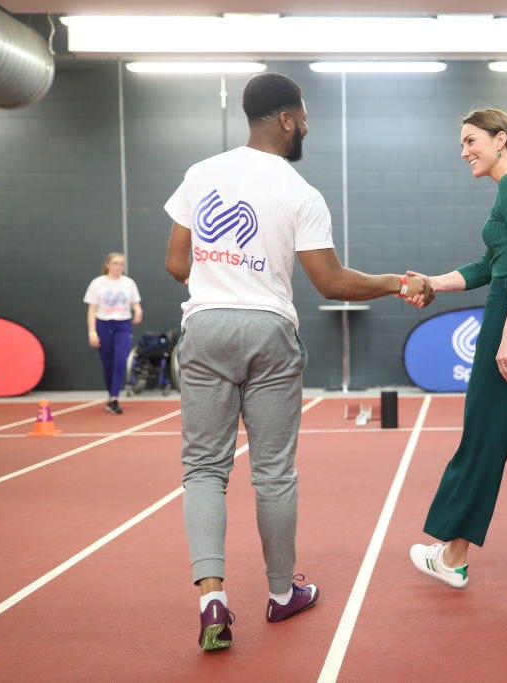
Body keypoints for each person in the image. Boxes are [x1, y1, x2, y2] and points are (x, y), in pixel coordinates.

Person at [163, 72, 433, 651]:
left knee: (204, 469)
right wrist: (393, 282)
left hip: (205, 326)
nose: (307, 125)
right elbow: (331, 280)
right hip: (268, 331)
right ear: (285, 119)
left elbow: (175, 263)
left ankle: (212, 597)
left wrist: (217, 276)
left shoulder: (200, 174)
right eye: (304, 116)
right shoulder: (299, 192)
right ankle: (283, 594)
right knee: (273, 472)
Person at [407, 108, 507, 607]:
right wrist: (431, 282)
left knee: (482, 437)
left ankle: (452, 558)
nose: (464, 151)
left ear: (501, 139)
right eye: (461, 143)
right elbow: (490, 266)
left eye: (470, 140)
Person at [83, 252, 143, 414]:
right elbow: (92, 310)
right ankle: (111, 396)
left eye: (121, 264)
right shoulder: (98, 283)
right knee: (108, 363)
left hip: (123, 324)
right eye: (115, 263)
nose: (118, 267)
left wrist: (137, 310)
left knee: (120, 361)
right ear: (108, 265)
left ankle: (115, 397)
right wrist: (92, 332)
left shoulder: (128, 283)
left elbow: (135, 303)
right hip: (103, 324)